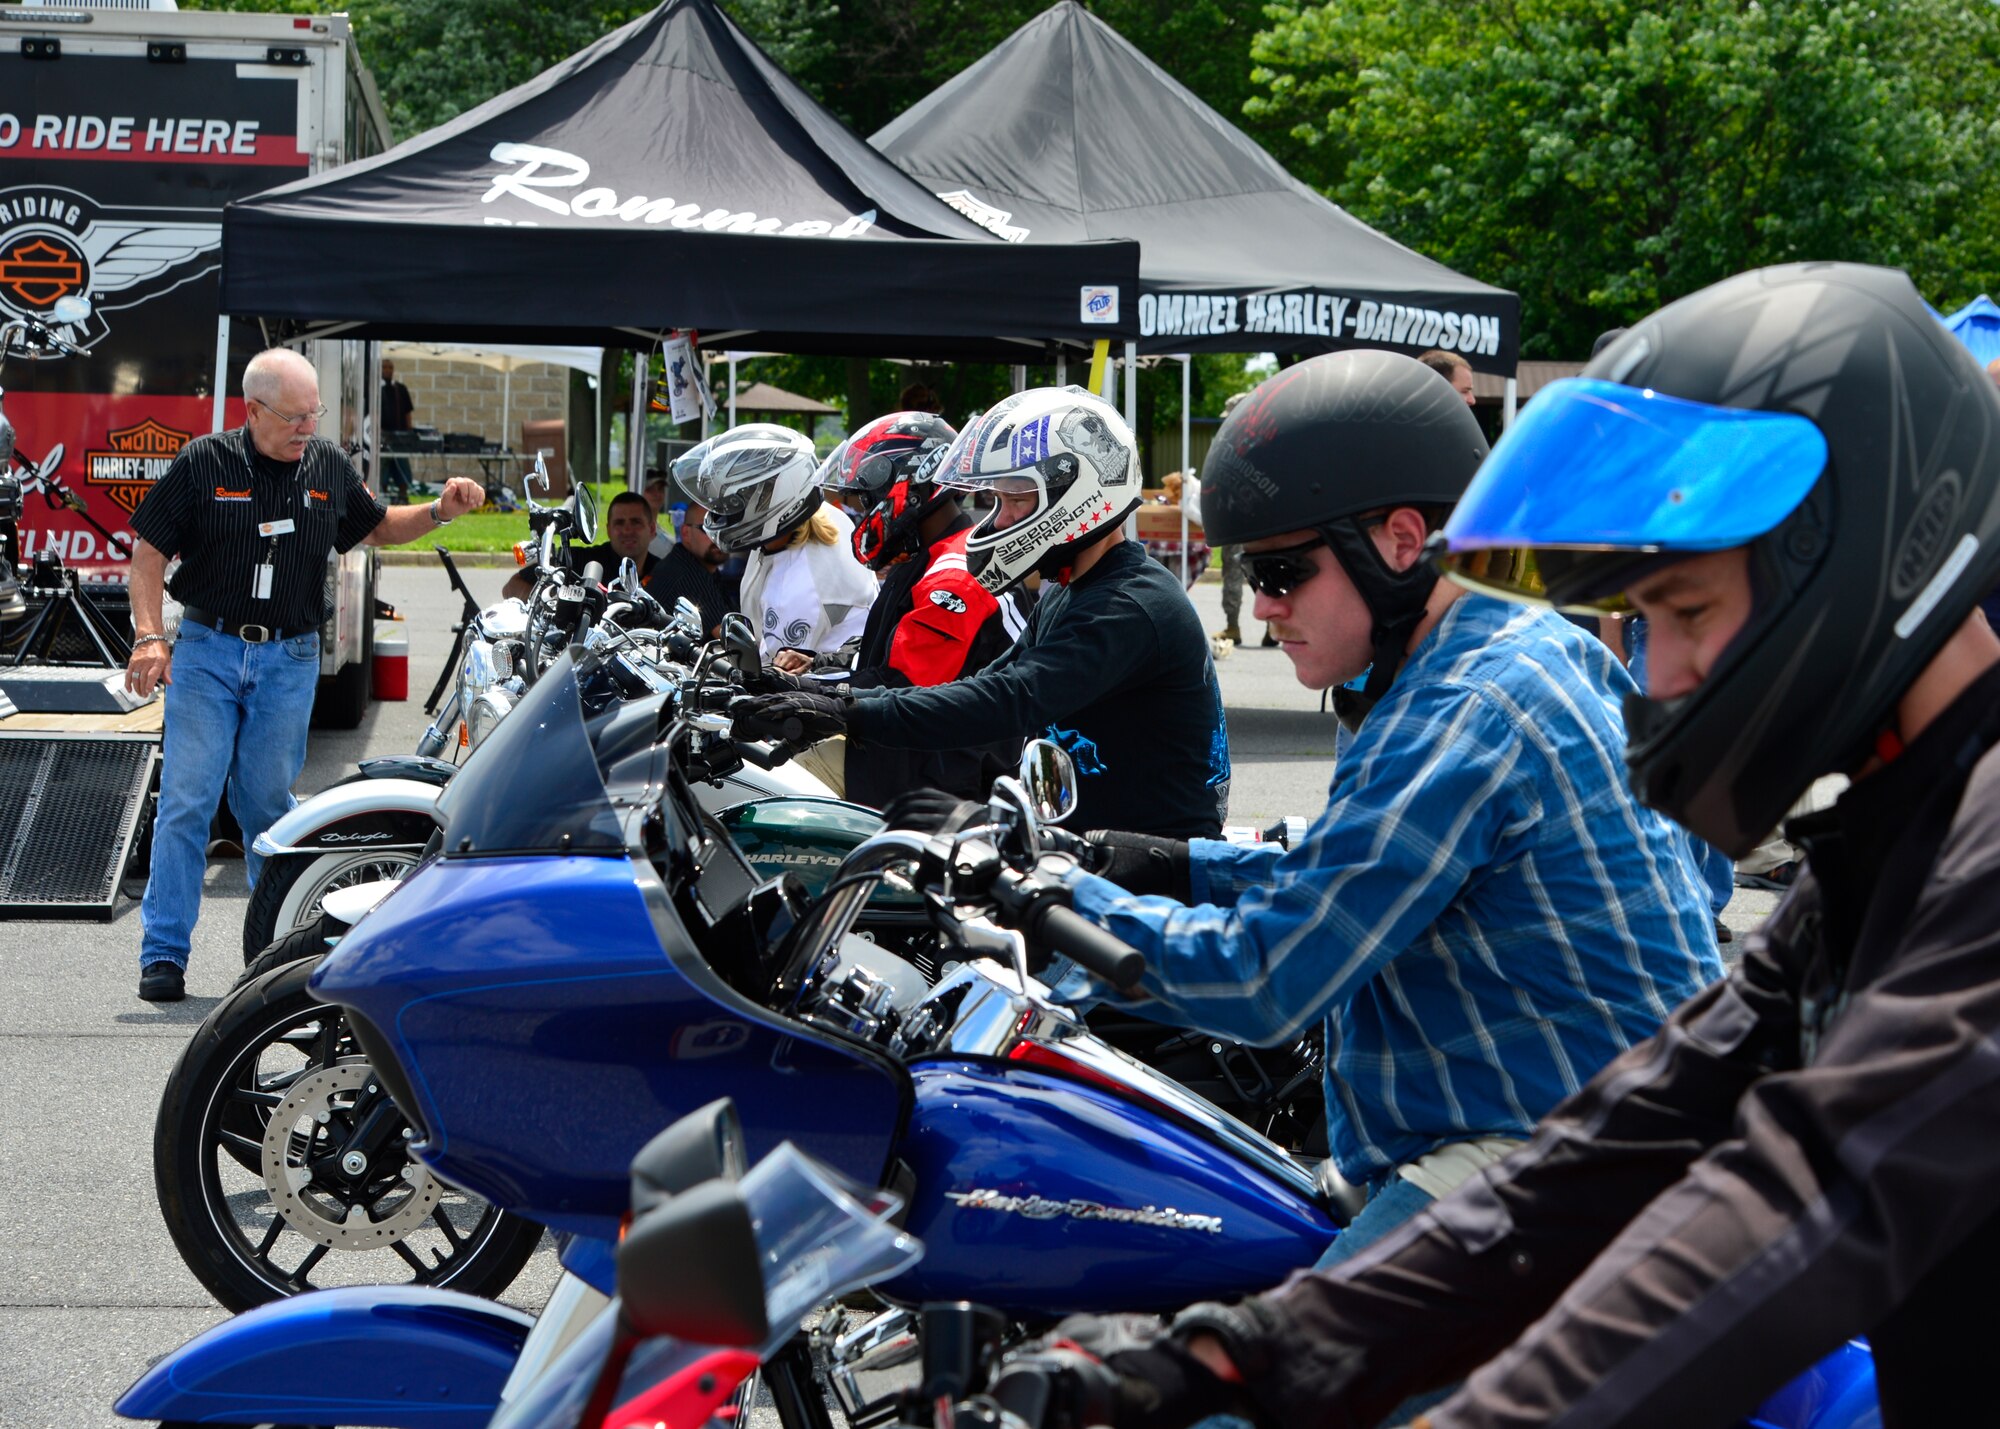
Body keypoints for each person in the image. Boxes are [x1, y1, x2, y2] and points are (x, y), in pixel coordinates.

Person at [1039, 263, 2000, 1429]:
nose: (1662, 674)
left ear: (1853, 556)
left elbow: (1809, 1184)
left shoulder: (1977, 859)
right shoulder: (1879, 842)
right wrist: (1245, 1353)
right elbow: (1631, 1127)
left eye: (1682, 614)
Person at [1026, 350, 1721, 1266]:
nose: (1264, 606)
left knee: (1258, 1390)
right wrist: (1173, 861)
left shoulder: (1463, 712)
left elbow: (1264, 978)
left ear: (1399, 541)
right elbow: (1375, 866)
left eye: (1281, 569)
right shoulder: (1502, 650)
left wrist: (1047, 904)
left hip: (1559, 1150)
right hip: (1590, 1112)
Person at [124, 348, 483, 1001]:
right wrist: (150, 636)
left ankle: (278, 951)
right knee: (188, 801)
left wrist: (441, 510)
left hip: (289, 657)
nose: (306, 428)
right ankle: (164, 955)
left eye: (313, 414)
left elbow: (376, 528)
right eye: (293, 416)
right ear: (252, 410)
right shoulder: (204, 462)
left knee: (267, 805)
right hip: (207, 650)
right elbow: (147, 554)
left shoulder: (327, 466)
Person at [733, 386, 1231, 838]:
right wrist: (802, 691)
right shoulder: (1071, 588)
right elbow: (988, 682)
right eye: (998, 500)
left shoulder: (1127, 606)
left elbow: (1008, 698)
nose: (1003, 518)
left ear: (1079, 494)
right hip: (1080, 836)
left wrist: (848, 712)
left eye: (1016, 500)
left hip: (1147, 861)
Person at [784, 410, 1020, 807]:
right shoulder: (928, 557)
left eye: (866, 499)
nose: (861, 513)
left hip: (937, 784)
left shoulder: (956, 574)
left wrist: (796, 691)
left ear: (907, 486)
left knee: (758, 786)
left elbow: (902, 685)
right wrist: (817, 665)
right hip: (906, 761)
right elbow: (889, 655)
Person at [671, 423, 876, 659]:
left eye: (734, 501)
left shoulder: (798, 588)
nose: (722, 511)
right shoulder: (823, 520)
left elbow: (775, 674)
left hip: (821, 687)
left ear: (774, 498)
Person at [499, 489, 658, 601]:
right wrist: (555, 607)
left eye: (636, 522)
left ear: (652, 529)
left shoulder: (664, 571)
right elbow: (511, 587)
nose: (627, 529)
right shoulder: (583, 560)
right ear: (609, 530)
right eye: (619, 523)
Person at [1210, 391, 1270, 648]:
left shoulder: (1230, 443)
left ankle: (1234, 626)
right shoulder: (1269, 439)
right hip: (1263, 520)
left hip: (1237, 520)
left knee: (1234, 573)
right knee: (1266, 571)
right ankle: (1272, 627)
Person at [641, 500, 729, 637]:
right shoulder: (685, 572)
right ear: (686, 533)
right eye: (708, 528)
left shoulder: (698, 566)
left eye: (724, 528)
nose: (718, 537)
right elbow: (730, 638)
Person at [378, 357, 415, 502]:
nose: (387, 370)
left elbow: (407, 412)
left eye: (390, 368)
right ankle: (384, 496)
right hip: (382, 436)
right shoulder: (375, 389)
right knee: (384, 466)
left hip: (400, 437)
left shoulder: (400, 389)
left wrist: (409, 432)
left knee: (402, 465)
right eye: (385, 367)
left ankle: (403, 496)